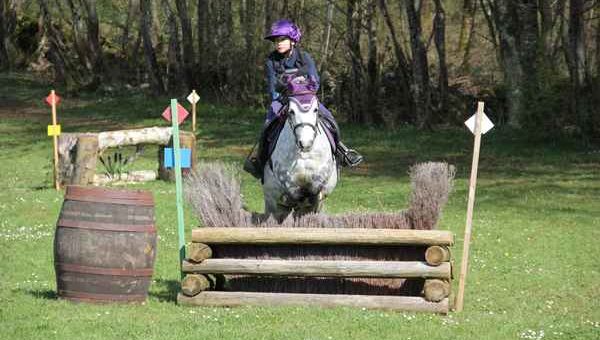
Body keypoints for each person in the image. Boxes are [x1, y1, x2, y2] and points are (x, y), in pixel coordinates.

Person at [244, 19, 363, 180]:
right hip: (282, 100)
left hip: (306, 98)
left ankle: (342, 152)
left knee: (329, 118)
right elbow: (273, 87)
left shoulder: (304, 57)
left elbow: (315, 81)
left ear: (292, 40)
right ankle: (260, 161)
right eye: (276, 41)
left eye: (282, 40)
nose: (278, 44)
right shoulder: (271, 60)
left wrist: (302, 90)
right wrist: (280, 98)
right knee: (267, 126)